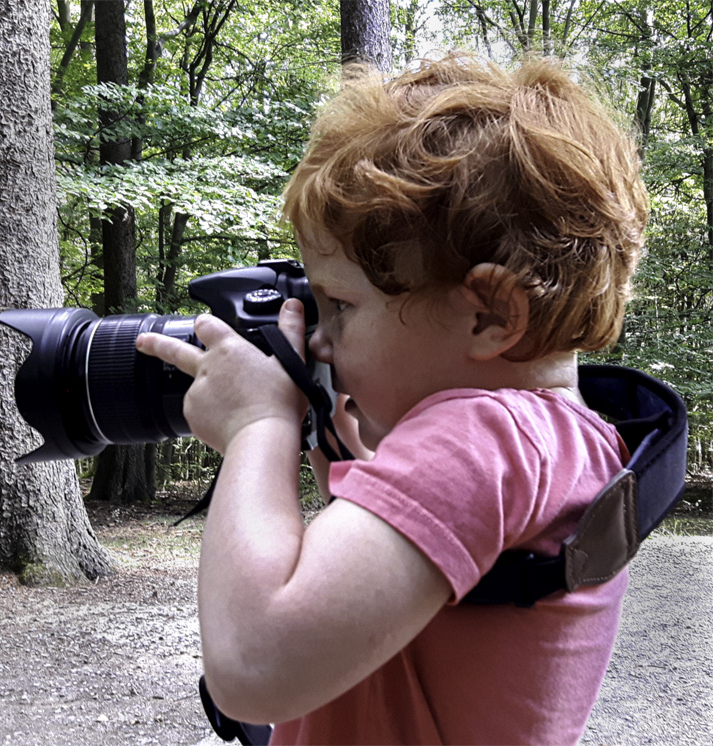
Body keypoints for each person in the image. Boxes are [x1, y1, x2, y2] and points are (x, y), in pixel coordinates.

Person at [136, 52, 648, 745]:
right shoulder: (561, 440)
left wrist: (258, 427)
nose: (319, 341)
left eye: (340, 306)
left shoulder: (480, 437)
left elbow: (254, 668)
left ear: (490, 316)